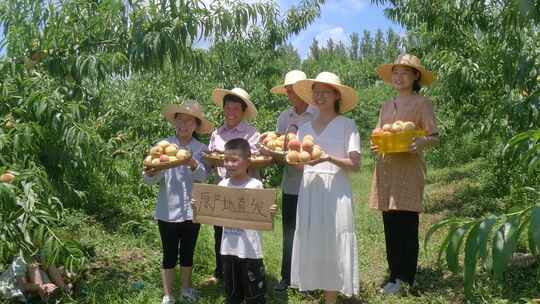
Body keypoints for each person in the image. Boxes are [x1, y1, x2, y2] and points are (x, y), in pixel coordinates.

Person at [369, 54, 439, 295]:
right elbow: (381, 134)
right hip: (387, 168)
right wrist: (376, 144)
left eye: (404, 73)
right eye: (395, 73)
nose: (398, 77)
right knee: (390, 223)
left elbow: (434, 137)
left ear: (415, 76)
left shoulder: (422, 104)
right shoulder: (386, 106)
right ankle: (394, 275)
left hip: (408, 169)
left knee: (407, 223)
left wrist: (420, 143)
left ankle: (406, 278)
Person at [290, 72, 361, 303]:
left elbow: (355, 164)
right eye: (316, 92)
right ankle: (317, 286)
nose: (319, 97)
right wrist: (296, 161)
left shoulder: (347, 125)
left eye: (325, 92)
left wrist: (329, 158)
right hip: (311, 188)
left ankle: (331, 296)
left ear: (336, 95)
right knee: (314, 237)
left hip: (335, 190)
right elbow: (302, 164)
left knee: (334, 237)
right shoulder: (304, 128)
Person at [143, 100, 214, 304]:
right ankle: (168, 294)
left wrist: (192, 163)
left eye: (189, 122)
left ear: (196, 125)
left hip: (192, 210)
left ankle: (186, 288)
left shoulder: (201, 149)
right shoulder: (162, 146)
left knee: (188, 252)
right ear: (175, 122)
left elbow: (204, 176)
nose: (184, 125)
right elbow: (147, 179)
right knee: (169, 253)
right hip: (167, 210)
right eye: (180, 120)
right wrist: (157, 170)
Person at [269, 70, 318, 291]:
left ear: (304, 90)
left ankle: (310, 278)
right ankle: (287, 276)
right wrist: (275, 155)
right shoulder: (283, 118)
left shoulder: (317, 115)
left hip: (314, 184)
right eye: (288, 91)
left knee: (311, 230)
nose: (290, 94)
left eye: (294, 90)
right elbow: (279, 151)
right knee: (290, 231)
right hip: (291, 184)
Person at [207, 87, 260, 283]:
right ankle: (221, 271)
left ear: (243, 111)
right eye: (227, 107)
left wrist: (229, 159)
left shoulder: (252, 133)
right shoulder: (216, 133)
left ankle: (246, 272)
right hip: (221, 189)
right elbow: (210, 158)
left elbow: (254, 158)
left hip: (243, 190)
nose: (231, 112)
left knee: (244, 232)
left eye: (235, 108)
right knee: (220, 232)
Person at [217, 138, 277, 304]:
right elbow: (213, 213)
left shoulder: (255, 185)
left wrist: (270, 212)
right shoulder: (222, 185)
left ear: (248, 161)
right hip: (228, 248)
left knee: (254, 293)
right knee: (232, 292)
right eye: (226, 160)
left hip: (250, 251)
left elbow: (265, 216)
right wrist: (198, 207)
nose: (229, 164)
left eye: (235, 160)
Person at [0, 255, 72, 303]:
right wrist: (40, 287)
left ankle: (63, 289)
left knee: (47, 263)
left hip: (35, 283)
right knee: (33, 264)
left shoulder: (42, 254)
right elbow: (22, 286)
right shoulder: (21, 259)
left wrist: (62, 286)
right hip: (13, 286)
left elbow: (50, 267)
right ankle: (45, 294)